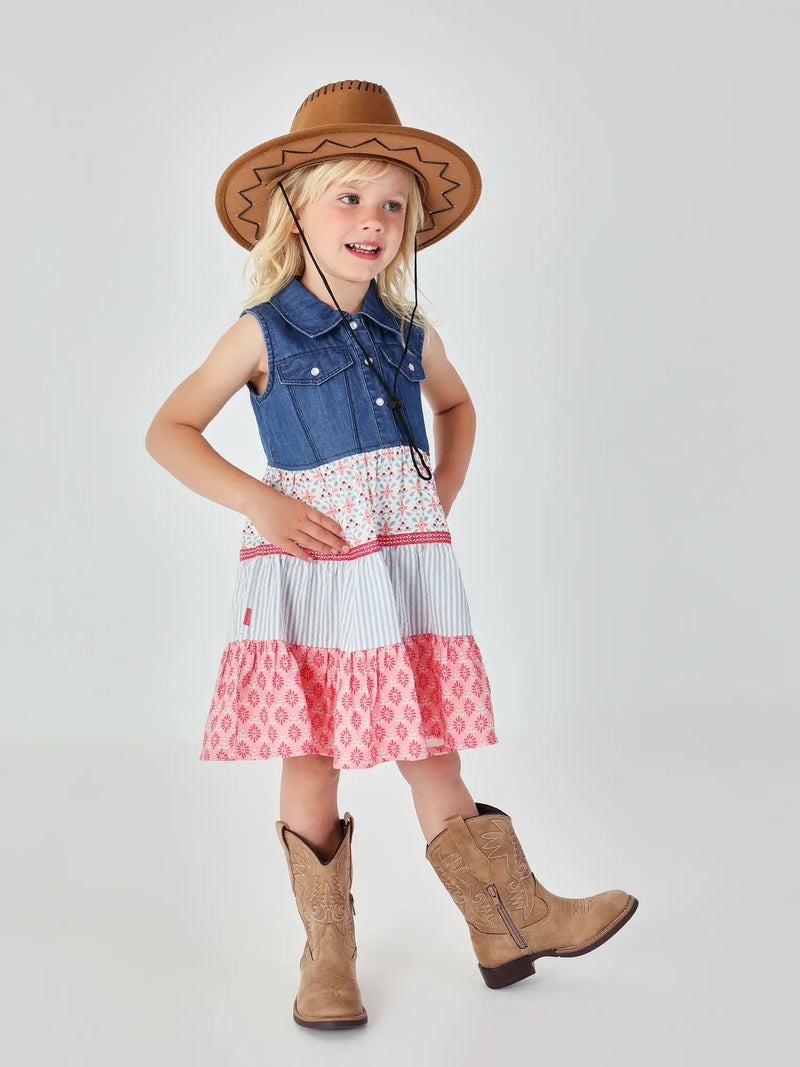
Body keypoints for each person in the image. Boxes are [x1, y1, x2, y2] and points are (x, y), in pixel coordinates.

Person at [145, 79, 638, 1031]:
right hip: (315, 568)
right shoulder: (264, 331)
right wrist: (259, 501)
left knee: (430, 744)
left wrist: (439, 489)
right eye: (350, 197)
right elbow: (169, 429)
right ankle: (327, 955)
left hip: (402, 568)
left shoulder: (410, 334)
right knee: (316, 752)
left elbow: (458, 405)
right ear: (296, 206)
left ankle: (510, 921)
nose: (373, 220)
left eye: (393, 205)